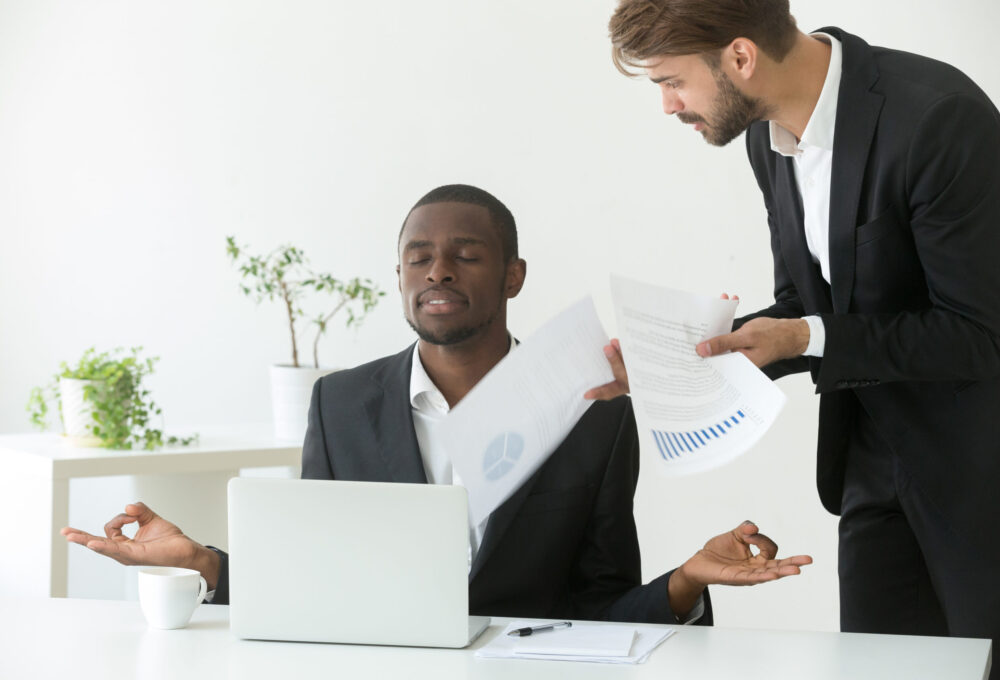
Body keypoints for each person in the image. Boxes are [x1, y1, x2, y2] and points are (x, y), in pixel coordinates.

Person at [63, 184, 810, 624]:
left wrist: (685, 582)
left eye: (467, 254)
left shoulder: (595, 409)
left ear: (514, 276)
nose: (438, 270)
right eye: (418, 256)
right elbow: (317, 581)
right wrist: (203, 563)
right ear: (399, 276)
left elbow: (599, 606)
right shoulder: (341, 404)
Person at [601, 0, 1000, 665]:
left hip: (981, 475)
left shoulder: (937, 120)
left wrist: (803, 338)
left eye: (670, 80)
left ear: (739, 58)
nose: (669, 105)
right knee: (878, 671)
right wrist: (686, 357)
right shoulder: (767, 135)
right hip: (871, 467)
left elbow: (979, 333)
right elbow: (804, 305)